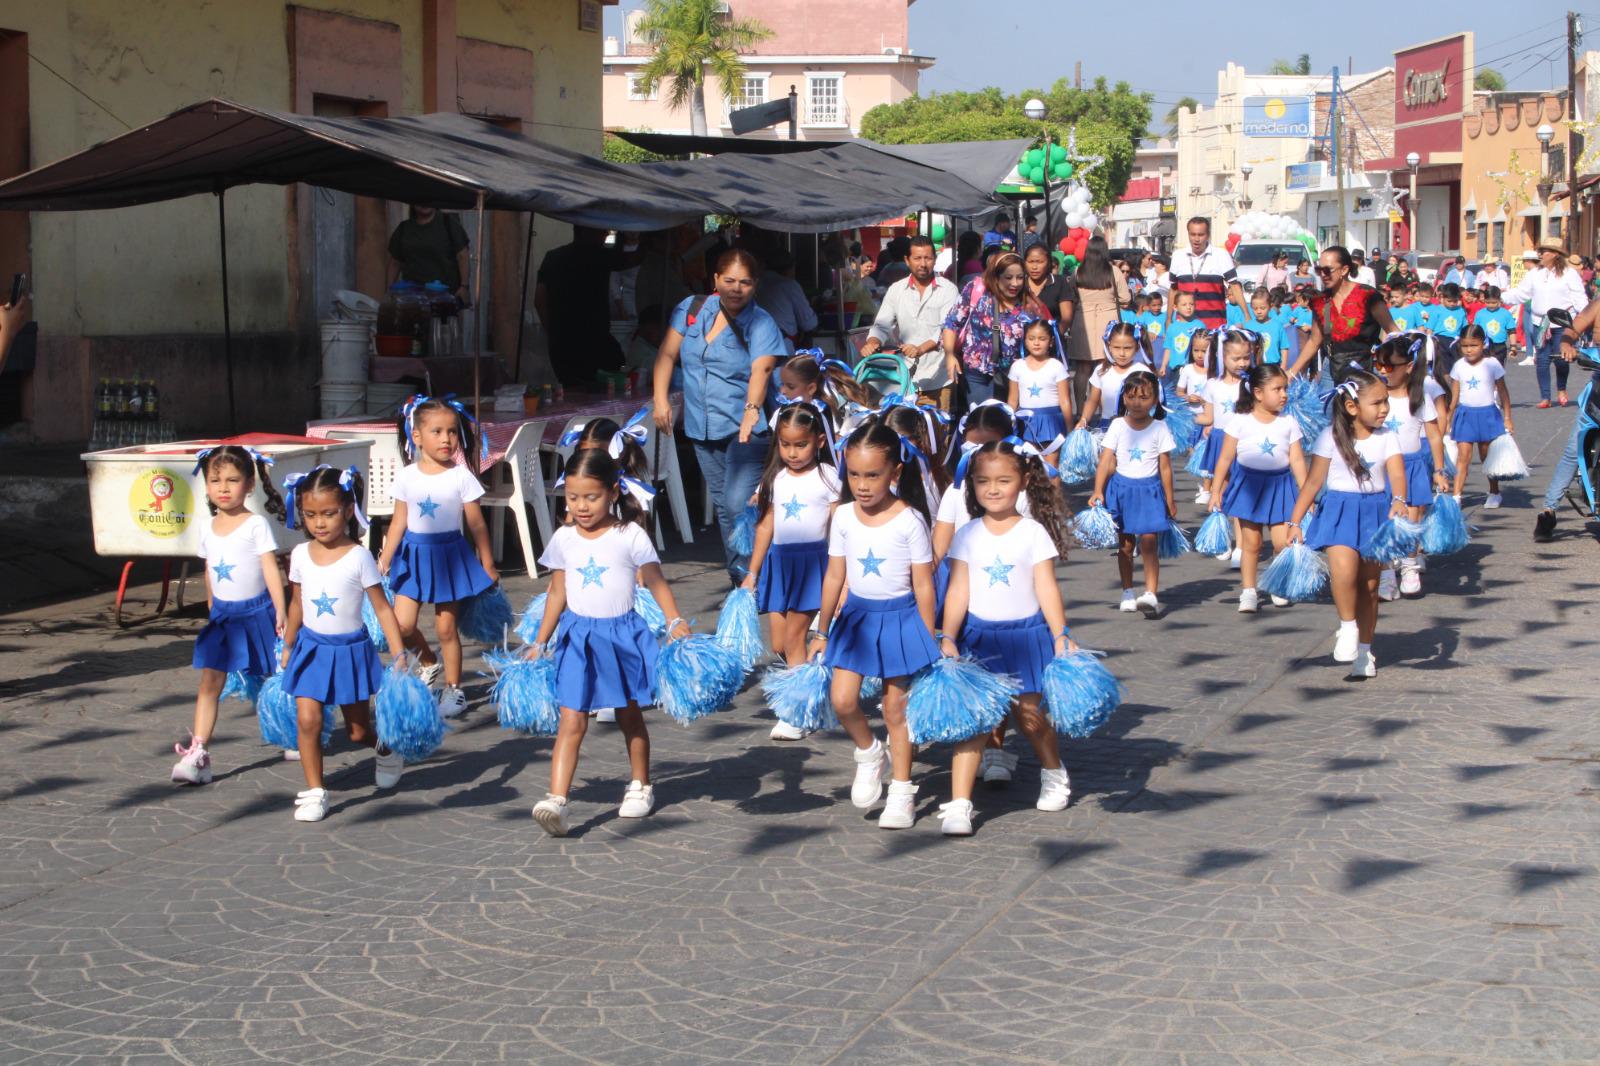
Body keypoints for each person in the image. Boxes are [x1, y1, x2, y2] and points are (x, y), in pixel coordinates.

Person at [525, 448, 692, 837]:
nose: (581, 506)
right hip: (577, 638)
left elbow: (655, 579)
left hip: (622, 637)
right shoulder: (564, 538)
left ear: (613, 492)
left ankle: (640, 784)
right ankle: (557, 800)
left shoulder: (630, 534)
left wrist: (675, 620)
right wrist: (540, 640)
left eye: (591, 497)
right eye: (572, 497)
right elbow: (556, 593)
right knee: (571, 718)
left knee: (628, 715)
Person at [937, 438, 1076, 835]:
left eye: (1003, 480)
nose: (993, 490)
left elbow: (1046, 586)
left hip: (1027, 637)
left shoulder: (1033, 533)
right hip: (979, 638)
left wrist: (1060, 633)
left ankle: (1053, 772)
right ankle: (960, 804)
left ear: (1023, 481)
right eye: (983, 482)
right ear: (972, 486)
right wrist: (948, 636)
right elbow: (959, 589)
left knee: (1030, 718)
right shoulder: (966, 535)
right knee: (975, 724)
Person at [806, 418, 939, 831]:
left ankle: (902, 791)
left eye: (873, 475)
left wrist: (929, 637)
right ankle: (868, 752)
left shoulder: (910, 520)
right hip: (856, 620)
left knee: (896, 709)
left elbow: (924, 584)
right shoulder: (844, 517)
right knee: (843, 700)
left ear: (895, 473)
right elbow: (833, 576)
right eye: (854, 474)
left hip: (900, 621)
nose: (862, 484)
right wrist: (821, 629)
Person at [279, 465, 408, 822]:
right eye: (310, 515)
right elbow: (296, 603)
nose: (319, 523)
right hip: (310, 649)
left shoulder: (359, 556)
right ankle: (315, 792)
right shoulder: (301, 555)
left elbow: (382, 608)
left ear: (349, 510)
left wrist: (398, 652)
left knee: (356, 731)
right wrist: (288, 644)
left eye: (328, 514)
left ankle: (385, 749)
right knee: (308, 720)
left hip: (350, 652)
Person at [652, 249, 786, 581]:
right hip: (700, 426)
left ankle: (754, 578)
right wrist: (660, 400)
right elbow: (667, 354)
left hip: (745, 431)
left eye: (744, 282)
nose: (736, 289)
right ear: (715, 280)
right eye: (729, 281)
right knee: (725, 508)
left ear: (755, 285)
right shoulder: (692, 309)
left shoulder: (761, 321)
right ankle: (739, 579)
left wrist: (751, 412)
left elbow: (762, 369)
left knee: (740, 504)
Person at [171, 447, 288, 785]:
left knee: (272, 678)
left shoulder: (255, 525)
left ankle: (292, 731)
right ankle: (199, 752)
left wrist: (280, 608)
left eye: (233, 480)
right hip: (223, 619)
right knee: (210, 684)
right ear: (206, 485)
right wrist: (211, 607)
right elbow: (209, 570)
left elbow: (269, 567)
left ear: (249, 485)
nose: (223, 487)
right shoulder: (207, 527)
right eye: (215, 480)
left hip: (258, 613)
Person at [378, 396, 497, 720]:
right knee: (402, 625)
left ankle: (454, 689)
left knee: (447, 629)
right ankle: (428, 661)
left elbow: (476, 524)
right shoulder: (407, 476)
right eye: (437, 431)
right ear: (416, 436)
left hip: (449, 558)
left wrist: (487, 562)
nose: (446, 439)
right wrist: (385, 558)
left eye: (452, 432)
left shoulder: (461, 476)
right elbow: (399, 520)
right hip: (413, 557)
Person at [1287, 373, 1405, 679]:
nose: (1384, 409)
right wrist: (1295, 520)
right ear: (1352, 407)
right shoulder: (1329, 437)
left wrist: (1399, 499)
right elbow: (1314, 482)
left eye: (1386, 402)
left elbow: (1397, 474)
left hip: (1375, 513)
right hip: (1339, 510)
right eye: (1377, 402)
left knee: (1369, 587)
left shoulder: (1388, 437)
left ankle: (1365, 651)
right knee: (1342, 570)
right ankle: (1347, 626)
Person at [742, 401, 839, 739]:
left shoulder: (829, 477)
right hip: (779, 565)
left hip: (813, 564)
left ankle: (796, 713)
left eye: (802, 444)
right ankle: (813, 686)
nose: (793, 452)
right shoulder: (775, 478)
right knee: (781, 644)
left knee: (797, 637)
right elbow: (766, 526)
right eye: (786, 445)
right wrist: (752, 573)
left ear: (820, 442)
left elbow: (840, 527)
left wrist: (842, 579)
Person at [1208, 365, 1308, 612]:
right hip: (1249, 488)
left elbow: (1296, 459)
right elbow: (1224, 458)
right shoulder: (1240, 421)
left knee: (1281, 543)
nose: (1284, 394)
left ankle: (1277, 584)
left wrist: (1307, 492)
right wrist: (1215, 490)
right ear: (1258, 392)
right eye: (1277, 389)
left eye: (1285, 388)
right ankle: (1249, 591)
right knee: (1250, 545)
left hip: (1281, 487)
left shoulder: (1289, 422)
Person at [1087, 368, 1178, 616]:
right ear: (1124, 397)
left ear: (1155, 400)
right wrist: (1098, 490)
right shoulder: (1117, 425)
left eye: (1144, 397)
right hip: (1121, 490)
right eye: (1131, 396)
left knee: (1149, 543)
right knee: (1125, 546)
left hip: (1149, 491)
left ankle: (1150, 593)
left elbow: (1166, 467)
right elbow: (1105, 460)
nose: (1137, 403)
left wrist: (1170, 499)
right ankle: (1127, 590)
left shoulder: (1160, 427)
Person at [1372, 335, 1449, 599]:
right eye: (1379, 365)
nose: (1384, 371)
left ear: (1408, 366)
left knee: (1412, 520)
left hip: (1413, 465)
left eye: (1390, 366)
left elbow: (1435, 434)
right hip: (1381, 468)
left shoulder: (1418, 396)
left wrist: (1439, 470)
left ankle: (1409, 566)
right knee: (1383, 521)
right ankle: (1385, 574)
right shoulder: (1374, 396)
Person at [862, 235, 961, 405]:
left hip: (938, 378)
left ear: (935, 260)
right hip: (902, 377)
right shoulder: (896, 289)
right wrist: (872, 342)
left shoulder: (948, 290)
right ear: (907, 260)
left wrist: (921, 349)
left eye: (928, 258)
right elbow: (882, 325)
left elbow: (946, 329)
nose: (923, 264)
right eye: (917, 258)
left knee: (936, 429)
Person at [942, 251, 1046, 406]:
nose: (1015, 284)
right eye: (1008, 278)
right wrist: (950, 355)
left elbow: (1040, 336)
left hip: (1014, 375)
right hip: (978, 373)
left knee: (1010, 423)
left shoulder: (1028, 302)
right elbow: (952, 323)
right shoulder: (976, 291)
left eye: (1020, 277)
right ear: (996, 277)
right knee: (982, 420)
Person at [1536, 302, 1600, 539]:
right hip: (1598, 386)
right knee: (1574, 450)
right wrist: (1566, 344)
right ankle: (1549, 510)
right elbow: (1573, 329)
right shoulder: (1597, 305)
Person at [535, 226, 629, 386]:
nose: (606, 234)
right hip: (593, 343)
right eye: (602, 231)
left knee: (572, 391)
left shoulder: (552, 257)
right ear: (587, 231)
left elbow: (539, 299)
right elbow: (630, 259)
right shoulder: (599, 256)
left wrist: (553, 332)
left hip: (562, 345)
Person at [1292, 246, 1397, 383]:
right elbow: (1314, 341)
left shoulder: (1368, 295)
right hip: (1331, 369)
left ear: (1344, 270)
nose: (1323, 274)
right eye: (1319, 270)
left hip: (1366, 368)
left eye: (1327, 270)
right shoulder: (1321, 301)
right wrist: (1292, 372)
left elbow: (1393, 331)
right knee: (1328, 405)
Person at [1500, 241, 1587, 406]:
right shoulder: (1534, 274)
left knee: (1561, 358)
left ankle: (1561, 388)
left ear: (1555, 254)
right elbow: (1521, 294)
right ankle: (1545, 396)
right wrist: (1500, 297)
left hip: (1562, 322)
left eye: (1544, 251)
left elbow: (1579, 298)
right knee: (1542, 359)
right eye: (1540, 251)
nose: (1540, 255)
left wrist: (1586, 317)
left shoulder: (1569, 273)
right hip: (1540, 322)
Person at [1193, 328, 1259, 515]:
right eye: (1236, 358)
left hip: (1245, 439)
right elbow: (1208, 417)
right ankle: (1219, 522)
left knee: (1242, 486)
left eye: (1246, 358)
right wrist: (1183, 418)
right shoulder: (1213, 384)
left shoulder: (1251, 383)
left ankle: (1243, 529)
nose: (1242, 363)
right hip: (1221, 439)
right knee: (1222, 484)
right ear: (1222, 356)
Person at [1448, 325, 1514, 509]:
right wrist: (1448, 419)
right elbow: (1453, 396)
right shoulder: (1458, 366)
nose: (1469, 350)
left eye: (1473, 345)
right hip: (1465, 415)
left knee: (1487, 456)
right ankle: (1456, 496)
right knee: (1463, 456)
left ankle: (1494, 492)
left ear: (1483, 344)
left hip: (1487, 414)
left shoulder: (1492, 363)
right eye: (1465, 346)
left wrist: (1507, 417)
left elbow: (1503, 392)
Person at [1064, 237, 1131, 411]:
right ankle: (1104, 409)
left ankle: (1080, 409)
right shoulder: (1113, 271)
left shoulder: (1078, 271)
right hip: (1107, 322)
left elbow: (1071, 295)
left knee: (1082, 369)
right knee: (1105, 367)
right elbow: (1126, 298)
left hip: (1082, 321)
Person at [1007, 318, 1073, 447]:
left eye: (1042, 339)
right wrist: (1008, 423)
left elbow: (1065, 401)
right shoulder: (1017, 366)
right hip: (1025, 421)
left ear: (1051, 341)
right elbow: (1012, 401)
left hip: (1052, 421)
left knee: (1051, 461)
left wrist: (1070, 428)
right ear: (1025, 340)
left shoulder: (1056, 366)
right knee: (1027, 461)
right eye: (1031, 338)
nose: (1036, 343)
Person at [387, 205, 470, 305]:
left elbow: (462, 256)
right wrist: (390, 291)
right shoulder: (404, 228)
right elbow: (395, 262)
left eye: (429, 199)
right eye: (420, 199)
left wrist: (464, 287)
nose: (425, 203)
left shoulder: (448, 223)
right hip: (412, 299)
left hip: (444, 299)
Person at [1076, 320, 1149, 434]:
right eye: (1116, 347)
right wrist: (1083, 419)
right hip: (1107, 427)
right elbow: (1093, 400)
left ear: (1137, 347)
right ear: (1109, 346)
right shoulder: (1101, 370)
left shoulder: (1142, 372)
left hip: (1135, 427)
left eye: (1127, 348)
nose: (1122, 353)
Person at [1168, 217, 1237, 329]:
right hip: (1184, 325)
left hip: (1214, 325)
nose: (1196, 239)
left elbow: (1235, 286)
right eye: (1193, 234)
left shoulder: (1221, 255)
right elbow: (1173, 289)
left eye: (1200, 235)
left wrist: (1247, 316)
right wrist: (1168, 319)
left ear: (1208, 235)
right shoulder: (1177, 256)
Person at [754, 247, 818, 354]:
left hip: (754, 346)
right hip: (781, 347)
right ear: (789, 268)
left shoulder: (754, 283)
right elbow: (809, 324)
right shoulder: (789, 285)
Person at [1472, 287, 1516, 361]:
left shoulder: (1506, 314)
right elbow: (1475, 331)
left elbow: (1512, 331)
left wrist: (1513, 347)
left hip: (1500, 346)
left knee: (1498, 370)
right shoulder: (1480, 314)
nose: (1491, 305)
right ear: (1484, 300)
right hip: (1484, 346)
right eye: (1488, 302)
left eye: (1494, 303)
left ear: (1499, 300)